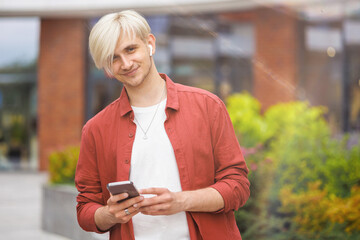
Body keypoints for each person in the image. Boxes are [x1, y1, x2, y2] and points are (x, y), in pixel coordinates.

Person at [75, 10, 250, 240]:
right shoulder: (96, 129)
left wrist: (181, 201)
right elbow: (85, 208)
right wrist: (110, 214)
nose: (126, 63)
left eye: (130, 49)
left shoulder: (207, 106)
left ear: (150, 43)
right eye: (113, 58)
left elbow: (238, 186)